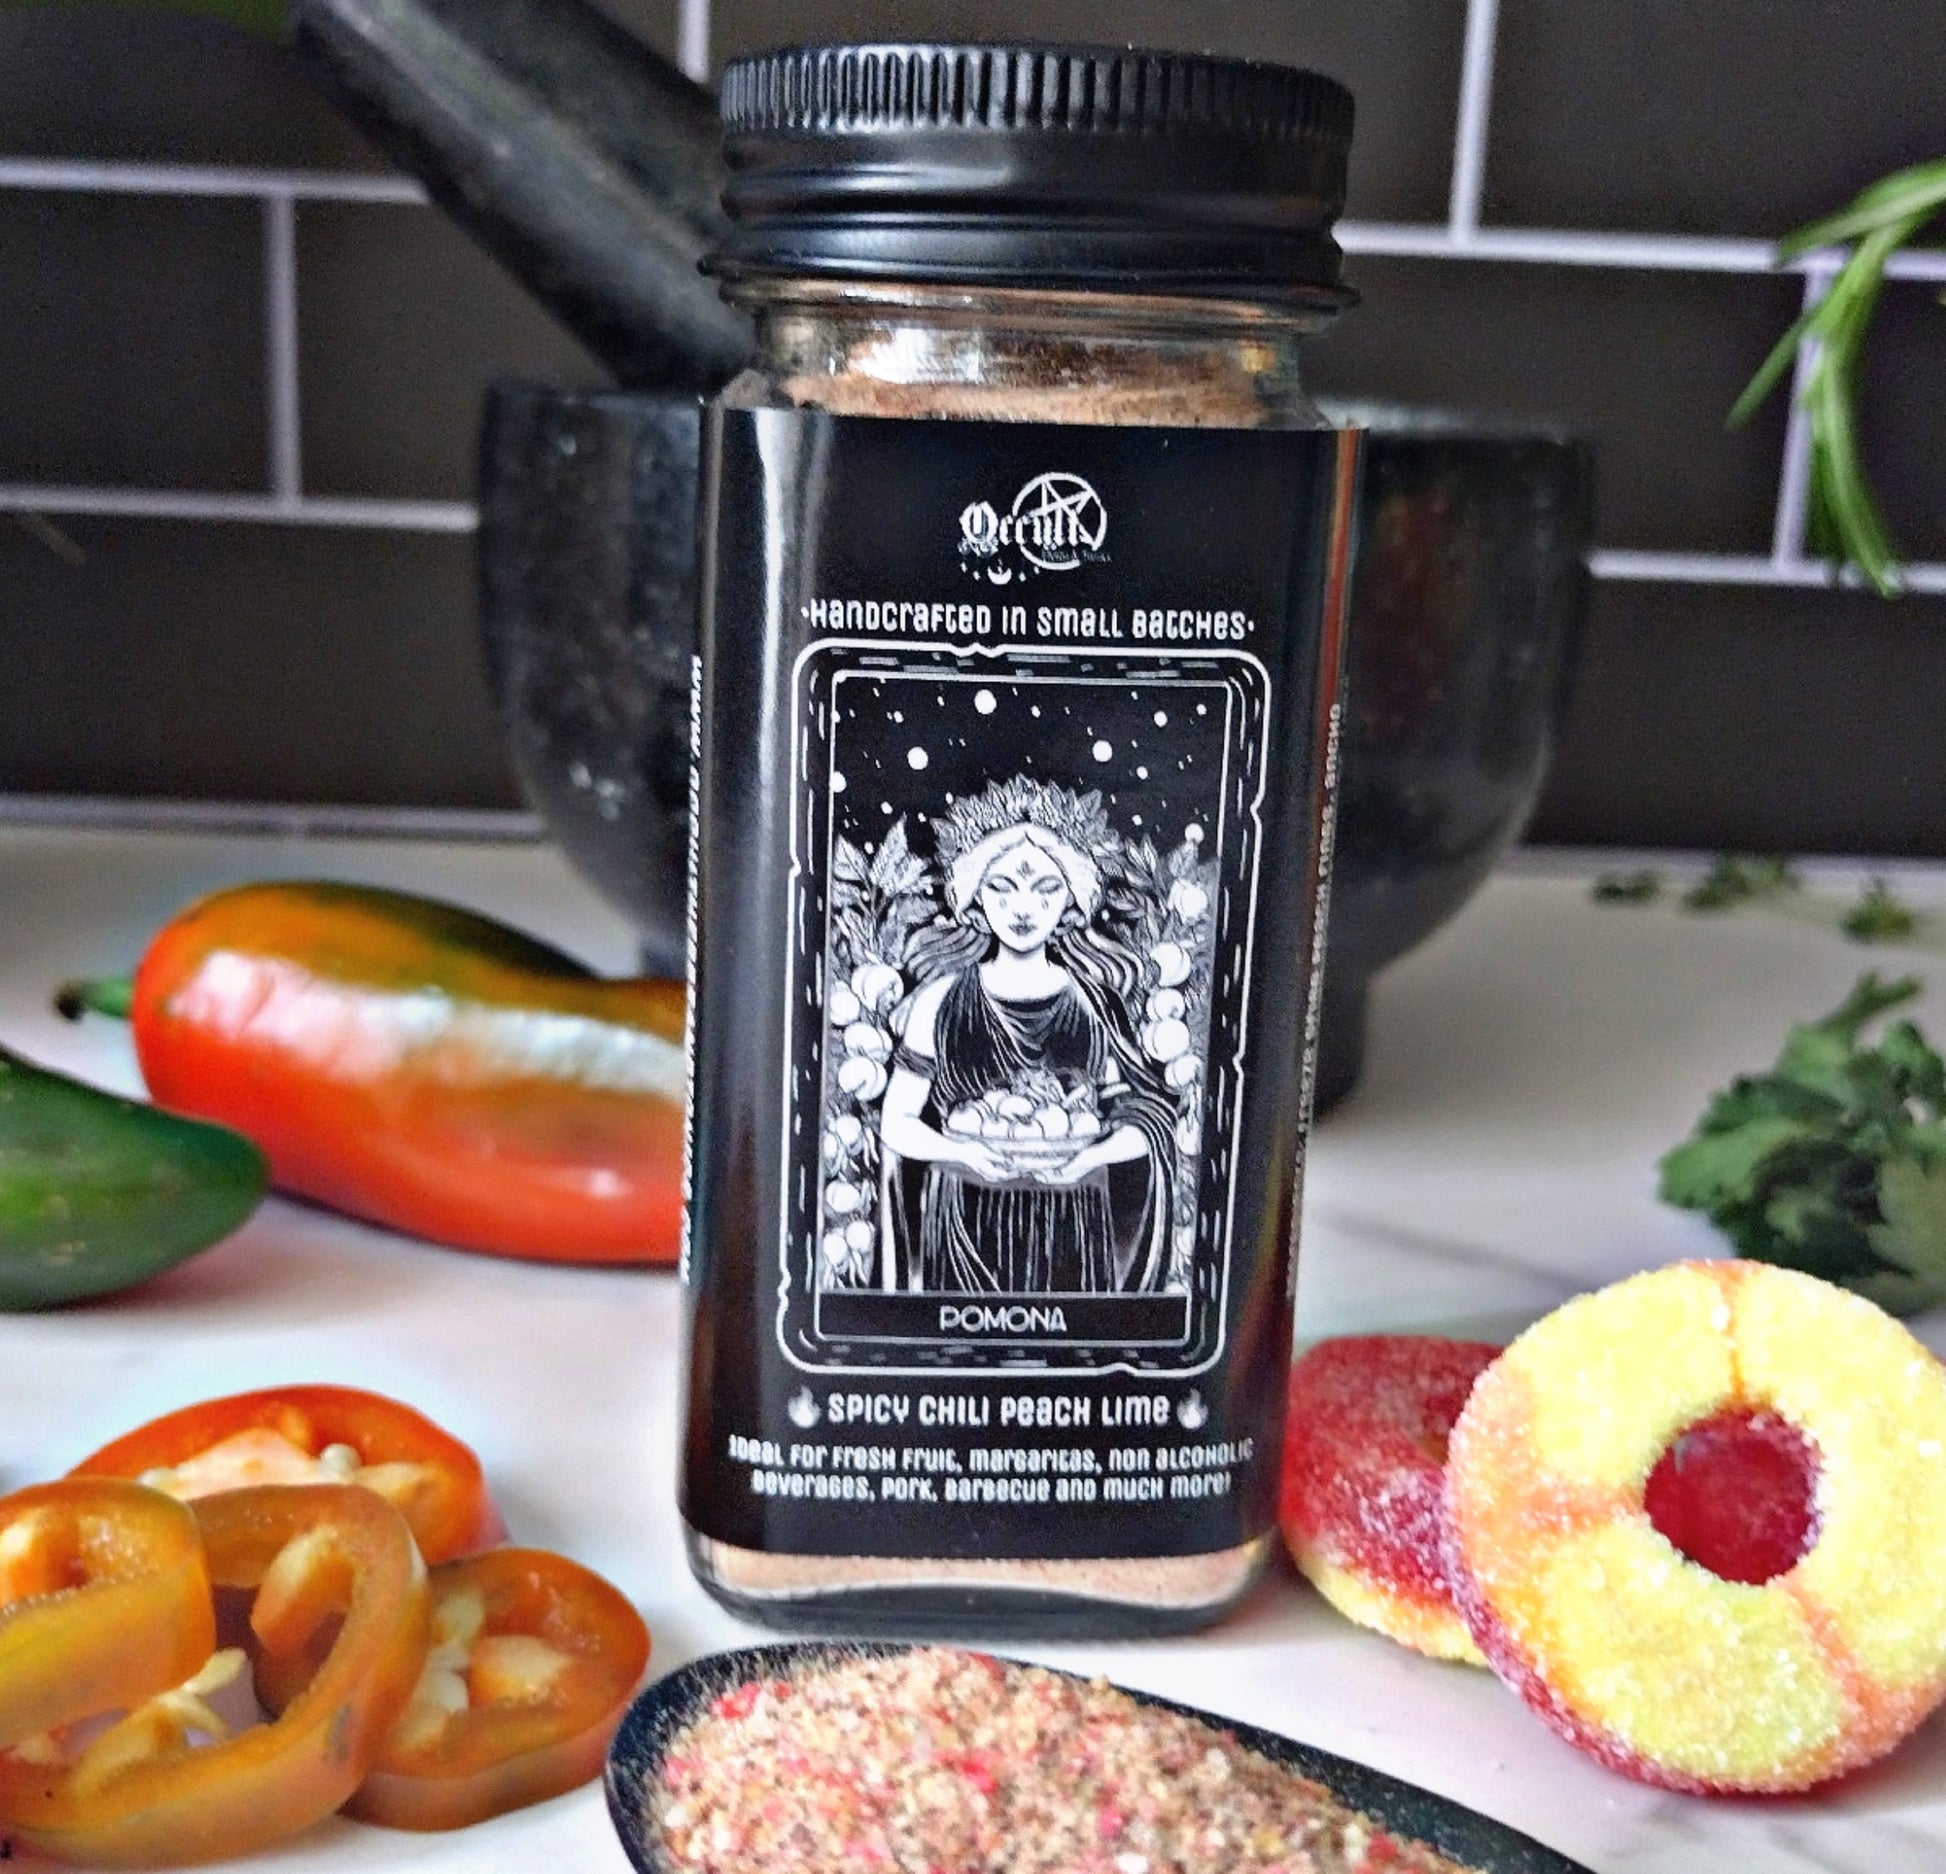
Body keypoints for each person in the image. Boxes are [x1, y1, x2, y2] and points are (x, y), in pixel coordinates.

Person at [874, 785, 1176, 1296]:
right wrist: (961, 1152)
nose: (1023, 907)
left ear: (1071, 899)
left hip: (1071, 1218)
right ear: (974, 894)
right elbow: (896, 1122)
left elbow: (1142, 1120)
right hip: (966, 1214)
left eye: (1045, 889)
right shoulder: (940, 1000)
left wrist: (1088, 1158)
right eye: (1002, 888)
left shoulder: (1092, 1003)